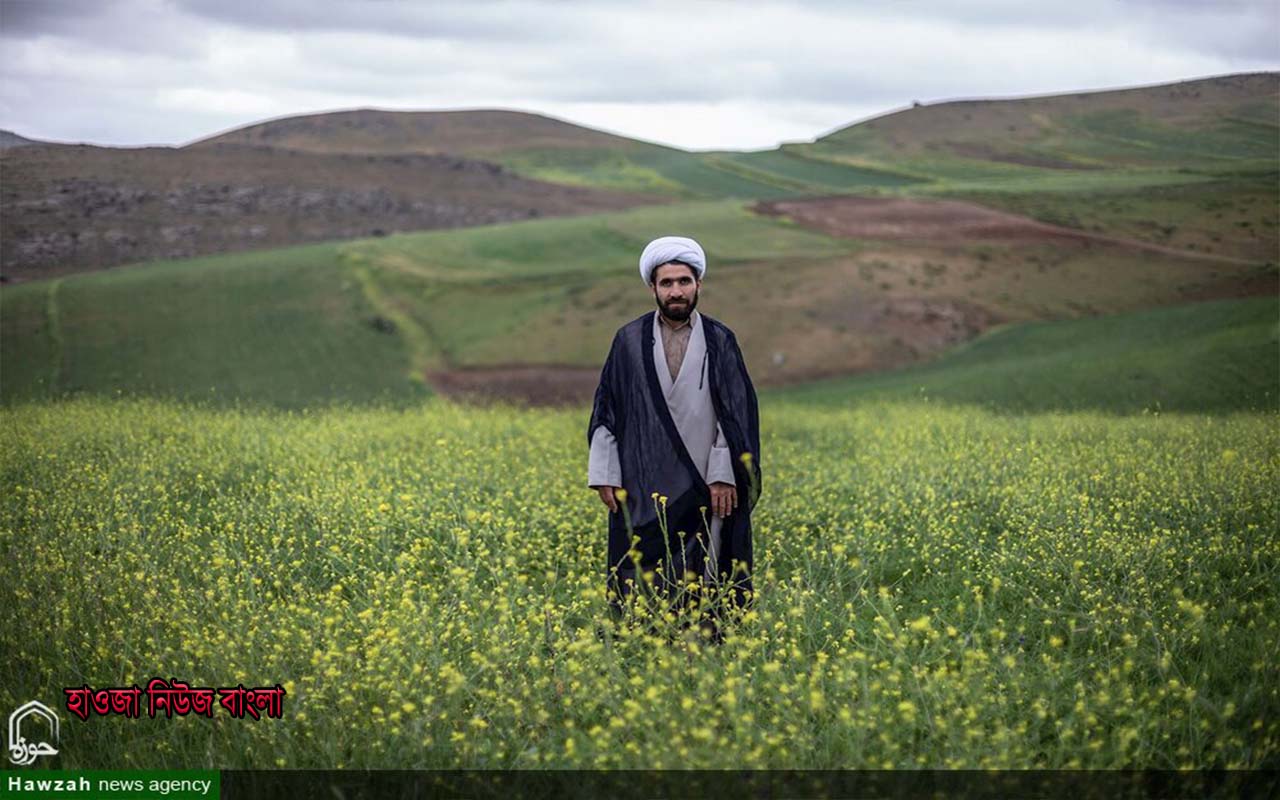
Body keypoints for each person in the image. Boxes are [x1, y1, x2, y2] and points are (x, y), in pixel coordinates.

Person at [586, 235, 762, 638]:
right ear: (652, 288)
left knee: (708, 566)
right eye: (667, 283)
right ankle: (644, 640)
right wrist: (606, 473)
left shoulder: (720, 340)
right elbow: (606, 409)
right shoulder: (627, 341)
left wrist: (723, 472)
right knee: (642, 567)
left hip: (705, 481)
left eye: (684, 281)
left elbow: (736, 414)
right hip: (643, 480)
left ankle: (705, 641)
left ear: (699, 284)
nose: (676, 291)